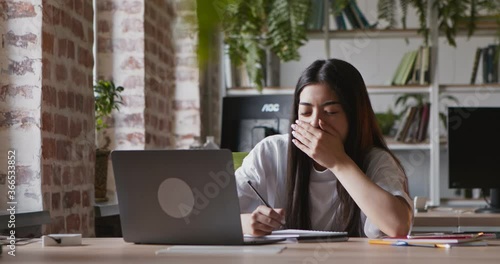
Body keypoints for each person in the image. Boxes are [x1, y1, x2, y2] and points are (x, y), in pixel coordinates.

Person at [235, 59, 413, 238]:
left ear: (354, 116)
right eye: (305, 112)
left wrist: (339, 162)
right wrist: (246, 223)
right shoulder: (271, 151)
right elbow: (211, 215)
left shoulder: (376, 160)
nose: (315, 123)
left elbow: (397, 227)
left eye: (330, 112)